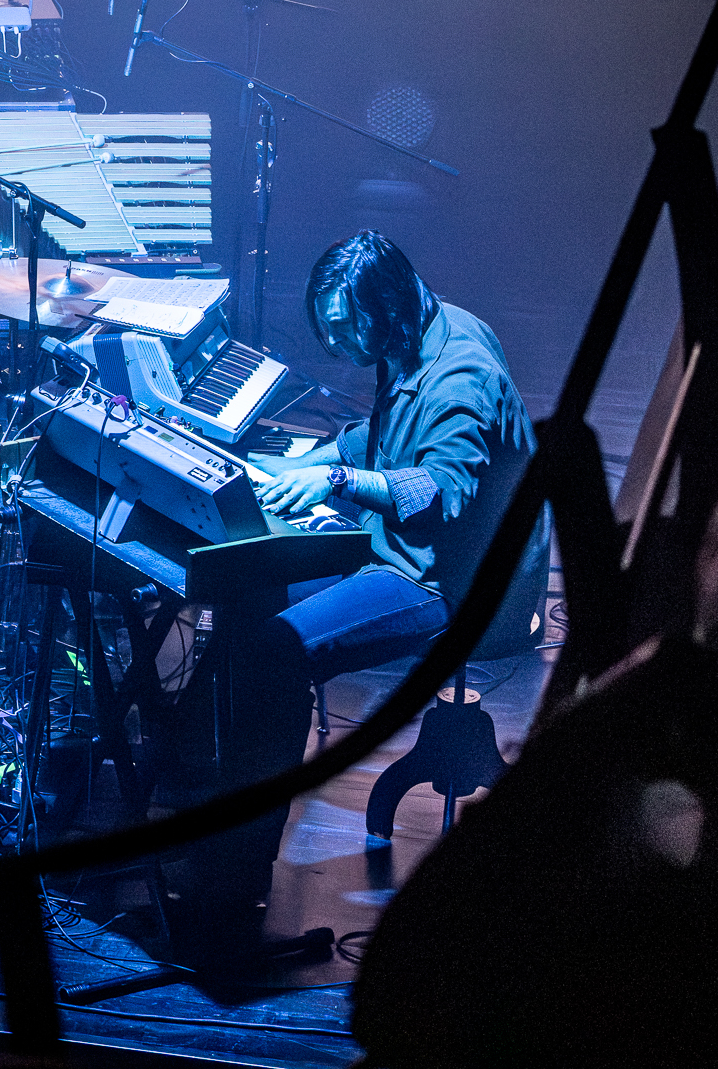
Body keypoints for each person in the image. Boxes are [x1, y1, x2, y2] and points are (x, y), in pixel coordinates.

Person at [188, 231, 551, 938]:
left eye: (344, 326)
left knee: (276, 654)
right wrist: (309, 460)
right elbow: (386, 436)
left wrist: (336, 479)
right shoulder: (420, 329)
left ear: (388, 307)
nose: (334, 343)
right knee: (246, 587)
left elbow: (437, 493)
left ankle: (236, 880)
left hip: (458, 589)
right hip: (417, 559)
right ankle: (208, 805)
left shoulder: (462, 377)